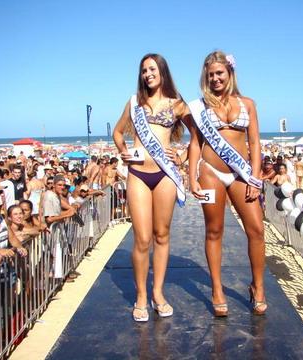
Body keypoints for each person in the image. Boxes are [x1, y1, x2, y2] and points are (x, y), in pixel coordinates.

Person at [113, 53, 196, 322]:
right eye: (143, 70)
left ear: (162, 71)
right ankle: (140, 295)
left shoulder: (177, 104)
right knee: (142, 239)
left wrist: (182, 157)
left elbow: (200, 135)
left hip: (165, 175)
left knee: (162, 235)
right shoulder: (134, 102)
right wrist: (123, 151)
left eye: (152, 69)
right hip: (137, 174)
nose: (147, 74)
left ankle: (157, 293)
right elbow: (117, 132)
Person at [189, 51, 266, 316]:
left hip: (241, 174)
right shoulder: (201, 106)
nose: (215, 78)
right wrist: (192, 178)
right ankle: (217, 289)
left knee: (256, 229)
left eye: (219, 73)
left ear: (229, 73)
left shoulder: (248, 103)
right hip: (210, 173)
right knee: (214, 230)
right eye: (210, 75)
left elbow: (255, 143)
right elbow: (196, 143)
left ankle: (258, 287)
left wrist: (254, 178)